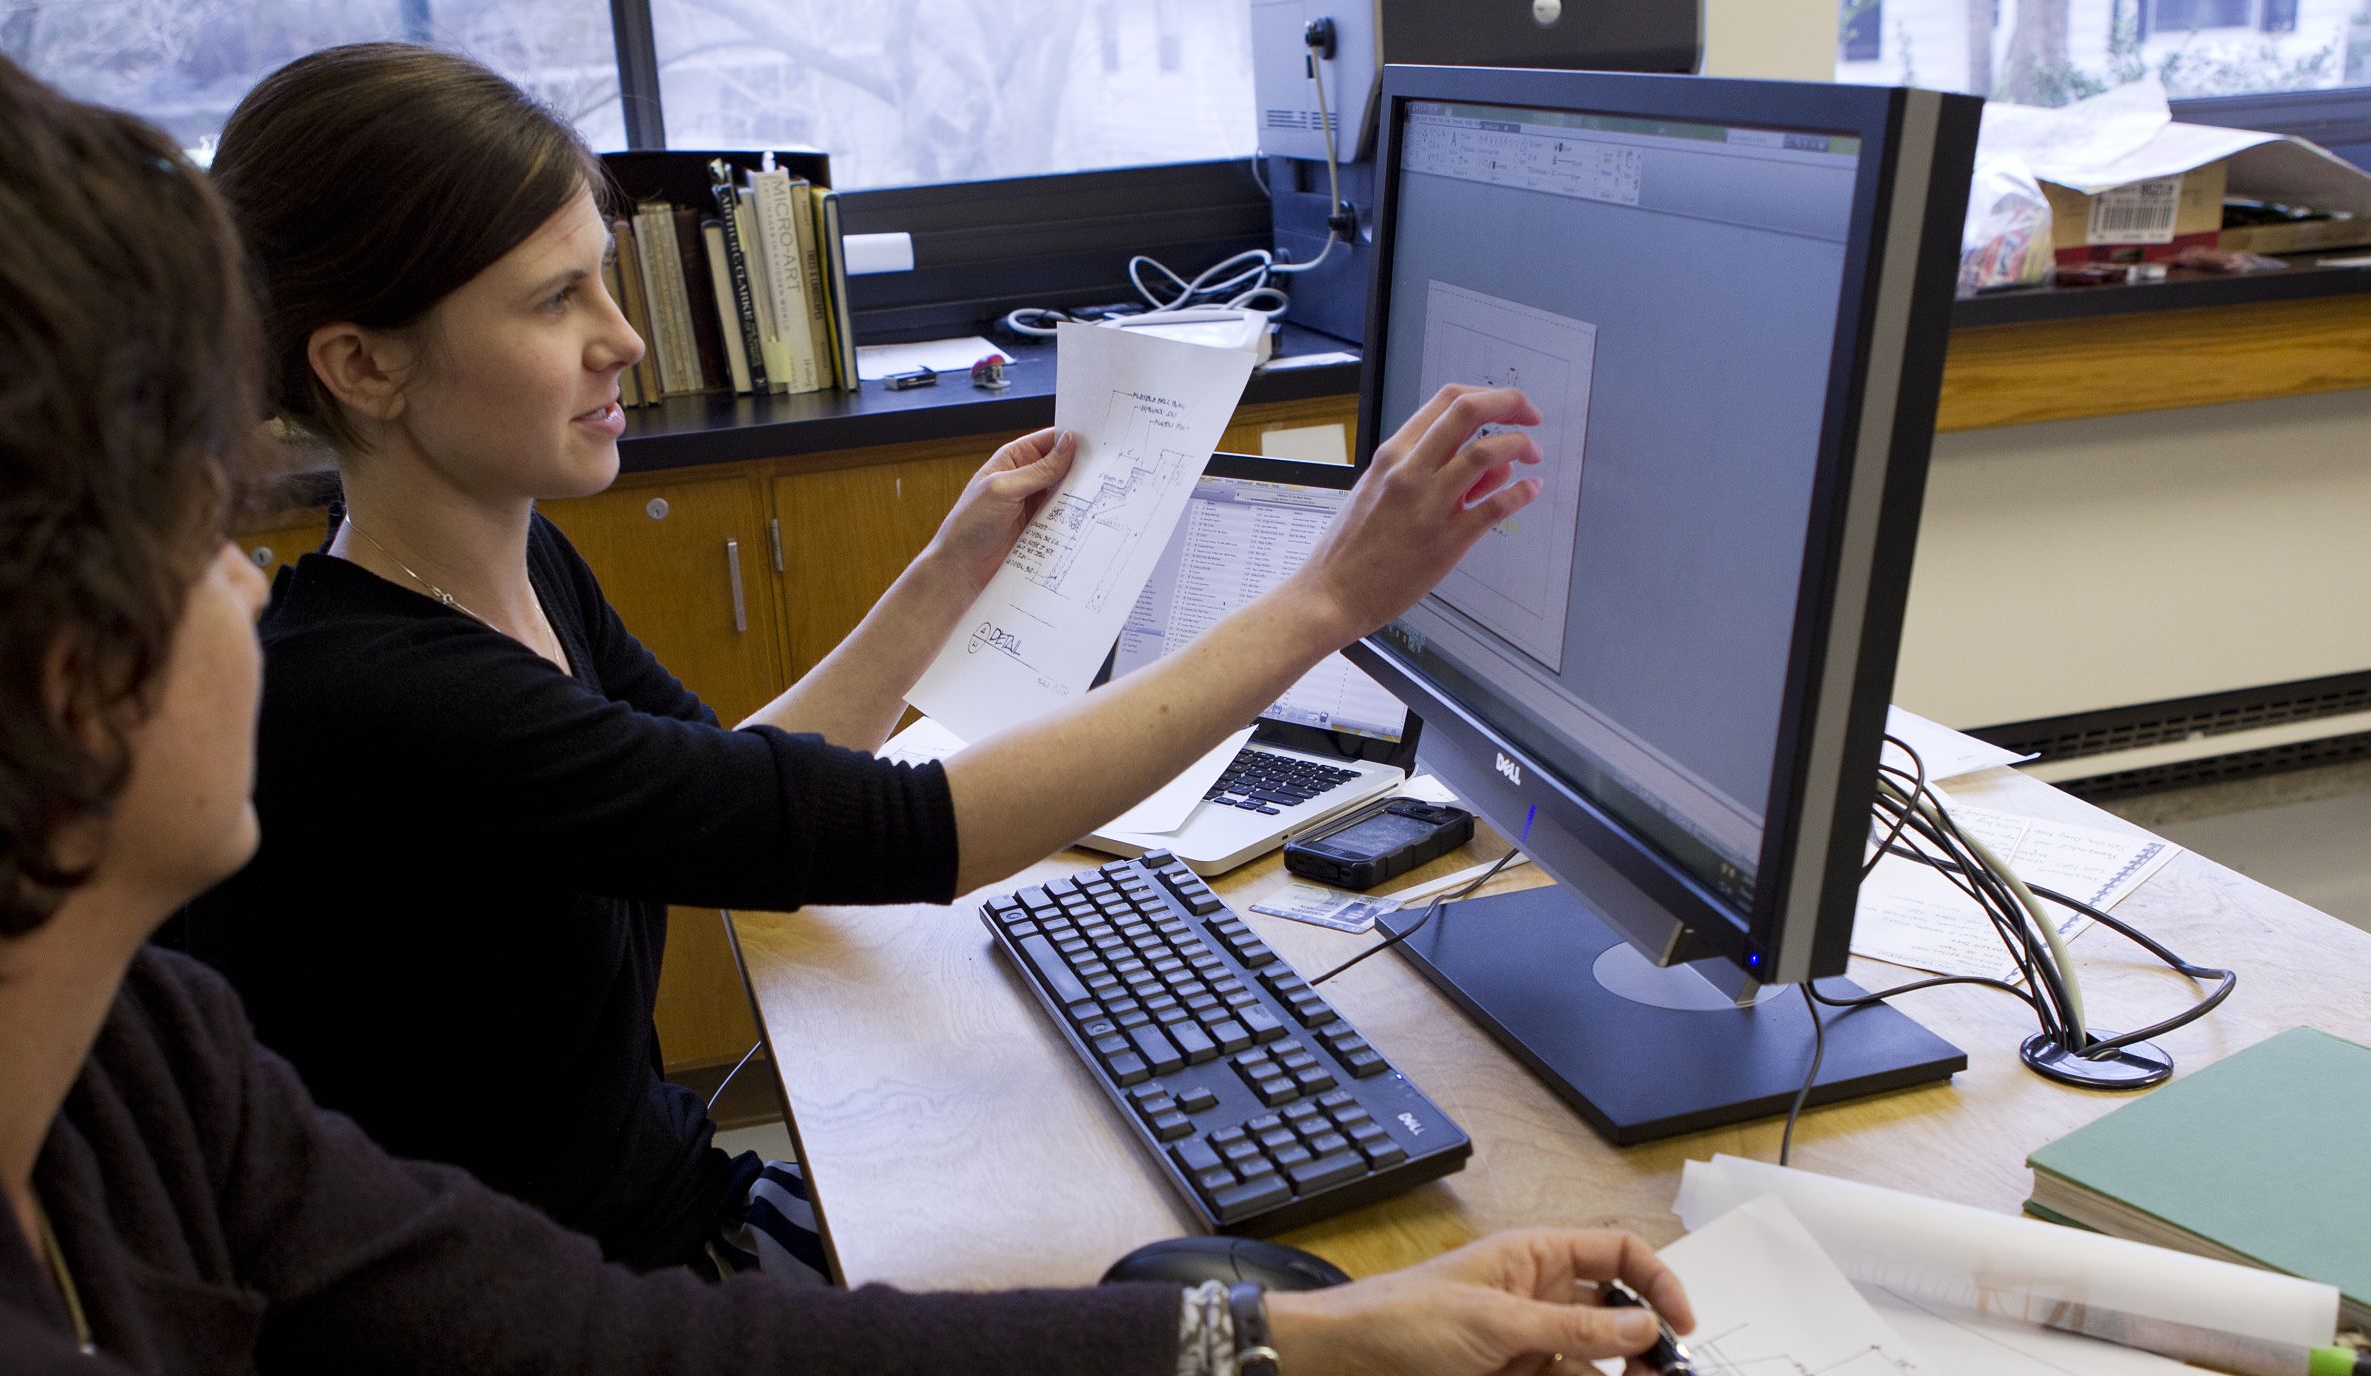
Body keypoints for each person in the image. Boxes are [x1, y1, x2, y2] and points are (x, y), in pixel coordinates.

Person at [0, 31, 1885, 1376]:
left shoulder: (128, 1065)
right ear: (61, 669)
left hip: (589, 1334)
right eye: (202, 535)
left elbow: (604, 1374)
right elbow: (813, 835)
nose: (254, 589)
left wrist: (1301, 1355)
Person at [174, 41, 1547, 1280]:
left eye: (608, 273)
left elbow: (726, 786)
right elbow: (911, 833)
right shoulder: (376, 701)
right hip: (563, 1360)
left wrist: (953, 568)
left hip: (657, 1230)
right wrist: (1323, 604)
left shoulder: (510, 567)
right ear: (362, 364)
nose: (625, 338)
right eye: (553, 302)